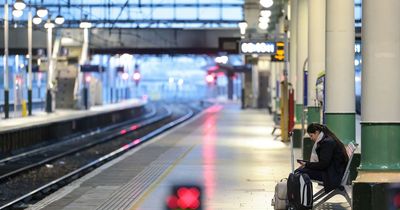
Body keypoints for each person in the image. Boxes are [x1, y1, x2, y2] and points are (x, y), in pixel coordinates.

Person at [295, 123, 349, 192]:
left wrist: (307, 164)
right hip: (333, 171)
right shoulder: (327, 138)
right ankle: (302, 197)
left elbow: (323, 164)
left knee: (298, 172)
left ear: (317, 132)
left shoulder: (327, 143)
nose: (311, 139)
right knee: (301, 169)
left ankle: (300, 198)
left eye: (311, 136)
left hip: (332, 176)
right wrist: (307, 164)